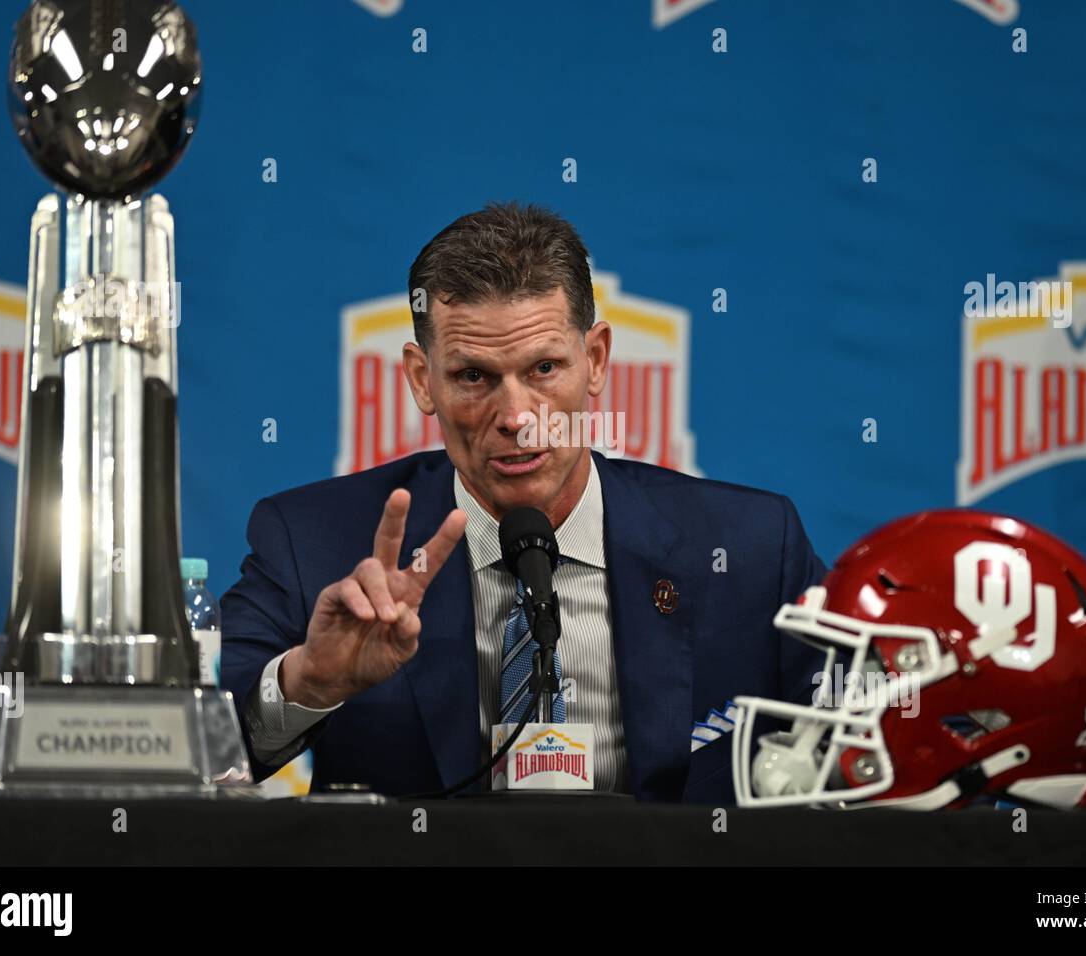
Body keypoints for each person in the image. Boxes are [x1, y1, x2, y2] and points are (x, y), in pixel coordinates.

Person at [220, 201, 826, 801]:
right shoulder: (314, 540)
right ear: (420, 379)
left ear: (595, 361)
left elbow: (864, 750)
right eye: (473, 377)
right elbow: (201, 755)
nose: (516, 419)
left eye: (542, 368)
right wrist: (309, 684)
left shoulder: (749, 548)